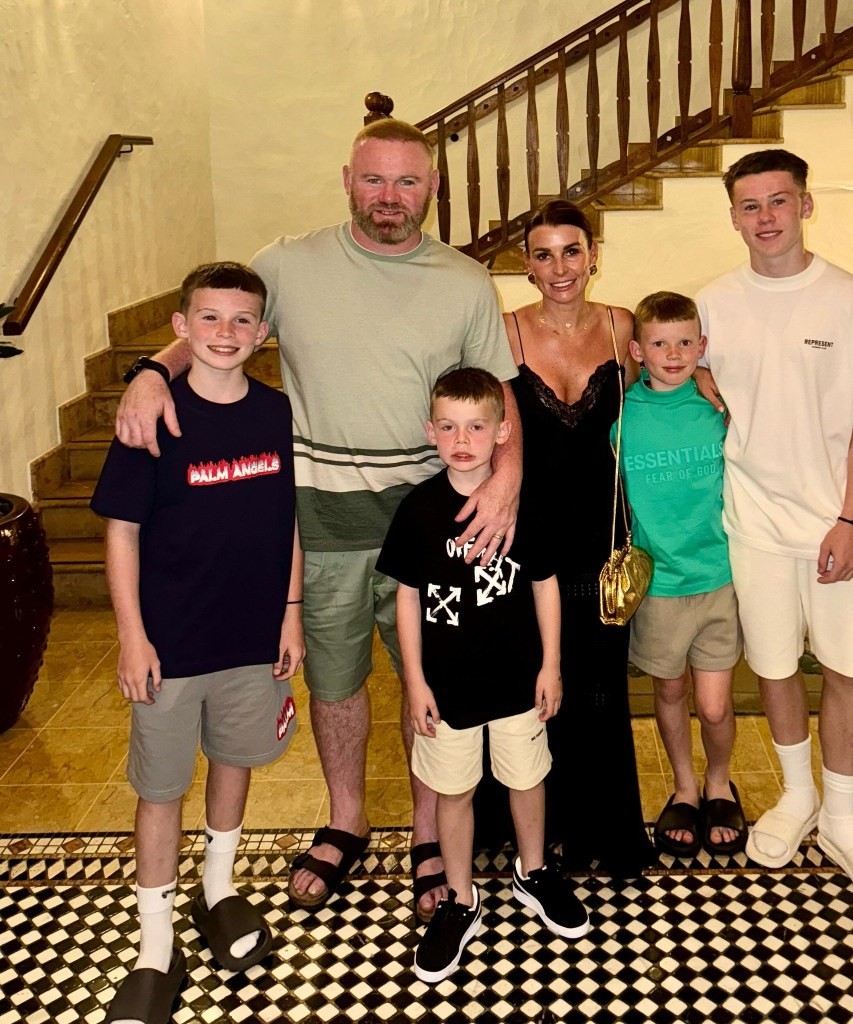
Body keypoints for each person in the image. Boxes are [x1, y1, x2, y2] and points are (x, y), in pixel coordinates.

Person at [113, 119, 521, 922]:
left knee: (426, 680)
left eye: (408, 182)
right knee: (336, 685)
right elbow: (210, 326)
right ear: (346, 179)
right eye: (375, 180)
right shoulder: (286, 265)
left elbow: (498, 398)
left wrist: (506, 478)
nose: (391, 197)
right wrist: (145, 375)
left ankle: (430, 831)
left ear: (432, 187)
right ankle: (347, 818)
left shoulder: (468, 281)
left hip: (429, 519)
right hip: (320, 521)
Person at [696, 149, 853, 908]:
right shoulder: (713, 304)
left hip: (838, 523)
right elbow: (688, 373)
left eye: (779, 202)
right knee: (775, 667)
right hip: (754, 522)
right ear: (733, 216)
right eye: (750, 205)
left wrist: (850, 518)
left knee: (849, 670)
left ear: (805, 205)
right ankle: (797, 798)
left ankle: (845, 819)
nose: (765, 218)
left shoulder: (851, 301)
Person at [92, 263, 304, 1024]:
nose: (226, 334)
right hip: (170, 642)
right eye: (210, 319)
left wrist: (289, 612)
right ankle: (155, 947)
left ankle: (220, 891)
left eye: (243, 320)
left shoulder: (276, 414)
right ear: (181, 327)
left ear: (264, 332)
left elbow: (289, 523)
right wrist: (131, 637)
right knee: (160, 788)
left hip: (251, 635)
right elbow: (122, 533)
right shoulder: (152, 416)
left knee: (236, 759)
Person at [377, 368, 588, 983]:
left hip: (519, 679)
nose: (461, 439)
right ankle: (461, 900)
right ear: (430, 431)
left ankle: (534, 873)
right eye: (448, 427)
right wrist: (414, 682)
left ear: (502, 432)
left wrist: (551, 664)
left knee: (526, 779)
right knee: (454, 790)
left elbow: (545, 585)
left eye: (476, 426)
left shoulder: (525, 505)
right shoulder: (418, 510)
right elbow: (407, 599)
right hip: (447, 690)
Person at [498, 198, 654, 874]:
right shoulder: (504, 332)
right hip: (527, 536)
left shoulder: (622, 327)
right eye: (542, 253)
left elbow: (660, 388)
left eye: (571, 250)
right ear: (526, 266)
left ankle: (602, 826)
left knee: (599, 682)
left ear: (593, 255)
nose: (559, 266)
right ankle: (536, 824)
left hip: (603, 533)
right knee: (532, 680)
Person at [617, 291, 746, 859]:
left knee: (715, 704)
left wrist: (712, 377)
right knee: (669, 692)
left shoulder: (719, 407)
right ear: (637, 351)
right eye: (660, 344)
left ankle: (720, 781)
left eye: (685, 343)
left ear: (703, 347)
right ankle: (686, 788)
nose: (674, 354)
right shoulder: (621, 416)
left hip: (719, 577)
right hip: (659, 589)